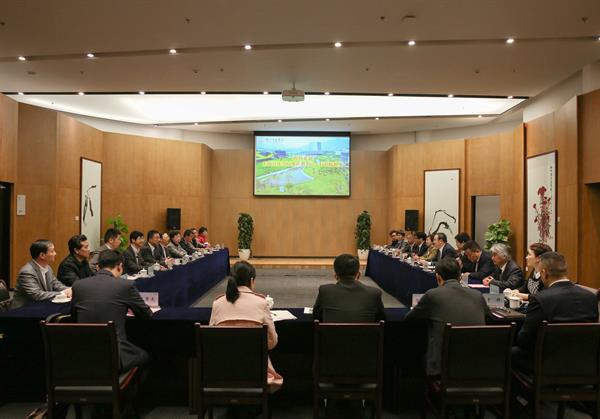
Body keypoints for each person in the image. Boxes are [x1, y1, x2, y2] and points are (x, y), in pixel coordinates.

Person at [513, 252, 598, 371]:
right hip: (586, 364)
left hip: (546, 365)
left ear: (544, 273)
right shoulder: (591, 297)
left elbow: (524, 340)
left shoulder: (540, 299)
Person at [405, 258, 491, 376]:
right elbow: (490, 319)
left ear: (438, 277)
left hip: (443, 368)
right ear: (460, 277)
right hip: (477, 367)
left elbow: (409, 320)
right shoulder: (478, 295)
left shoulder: (433, 295)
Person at [71, 250, 152, 371]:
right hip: (114, 354)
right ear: (120, 266)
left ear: (98, 267)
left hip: (82, 353)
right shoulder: (125, 285)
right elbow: (146, 314)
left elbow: (73, 315)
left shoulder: (78, 285)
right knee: (145, 357)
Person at [209, 261, 283, 392]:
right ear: (252, 280)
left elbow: (212, 340)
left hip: (221, 371)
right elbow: (272, 342)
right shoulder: (260, 303)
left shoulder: (218, 303)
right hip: (256, 371)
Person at [313, 254, 385, 323]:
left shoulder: (325, 291)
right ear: (358, 275)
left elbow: (316, 316)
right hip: (366, 332)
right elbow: (381, 318)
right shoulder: (374, 293)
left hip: (331, 332)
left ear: (335, 276)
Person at [12, 240, 71, 309]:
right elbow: (36, 294)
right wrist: (62, 293)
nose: (55, 253)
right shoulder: (27, 272)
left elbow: (56, 284)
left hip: (40, 305)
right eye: (52, 251)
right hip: (23, 309)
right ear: (42, 255)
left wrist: (70, 290)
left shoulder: (48, 268)